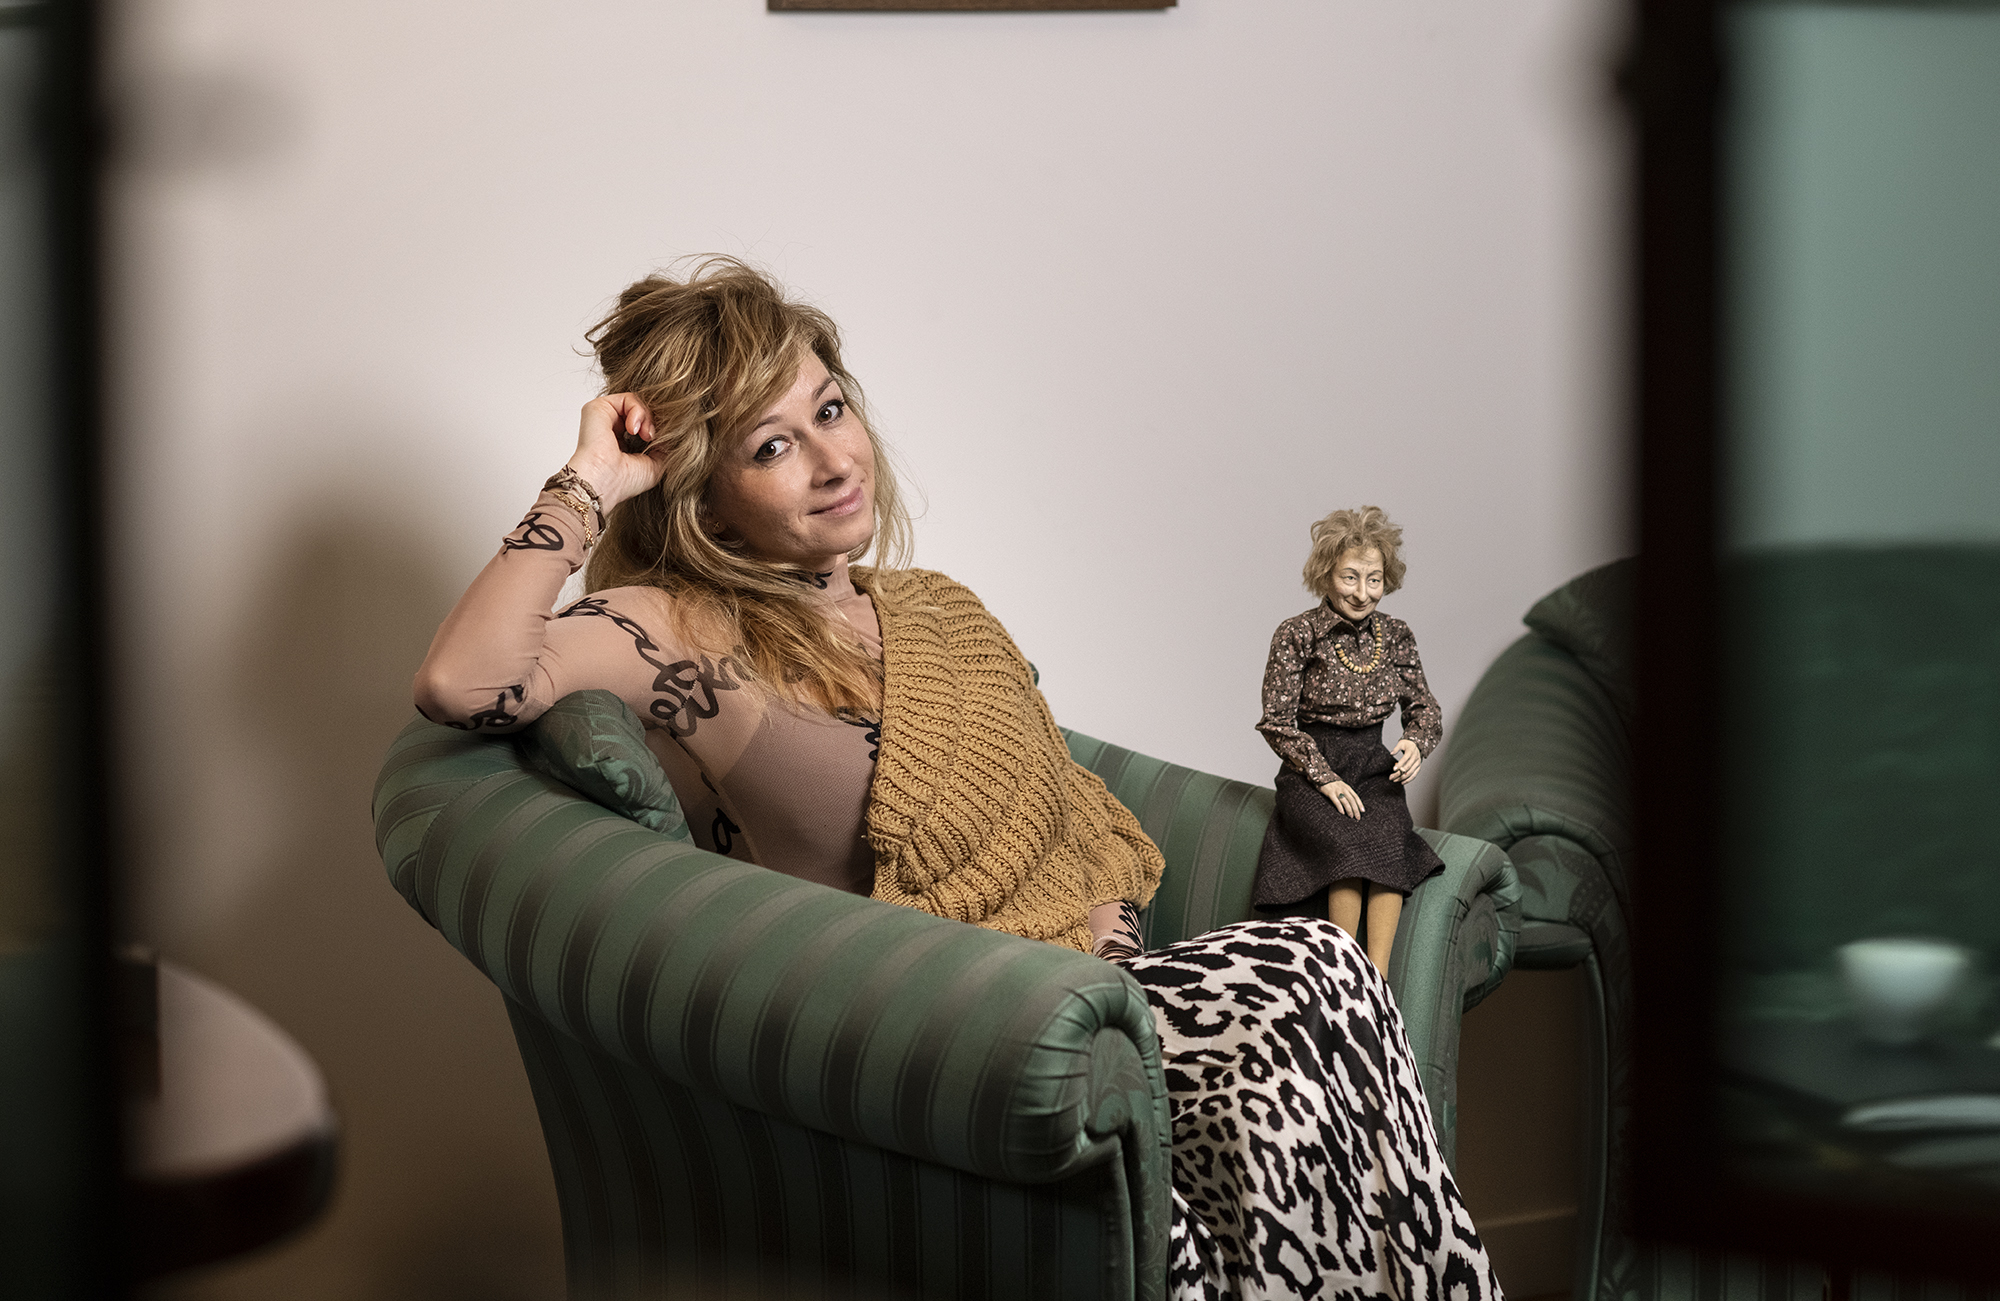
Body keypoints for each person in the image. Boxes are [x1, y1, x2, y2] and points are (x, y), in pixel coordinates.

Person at [414, 259, 1497, 1301]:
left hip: (1085, 1016)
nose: (831, 461)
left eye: (830, 410)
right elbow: (463, 682)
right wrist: (592, 481)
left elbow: (1072, 822)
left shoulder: (936, 608)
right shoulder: (676, 631)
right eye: (772, 445)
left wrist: (1113, 975)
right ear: (702, 492)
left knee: (1305, 1012)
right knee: (1310, 967)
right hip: (934, 1031)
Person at [1251, 507, 1445, 976]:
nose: (1362, 593)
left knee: (1387, 840)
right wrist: (1324, 778)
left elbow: (1425, 708)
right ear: (1326, 575)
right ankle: (1345, 971)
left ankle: (1375, 978)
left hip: (1373, 767)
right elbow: (1277, 722)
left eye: (1373, 580)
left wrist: (1416, 742)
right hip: (1311, 770)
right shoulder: (1296, 634)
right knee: (1348, 845)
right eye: (1350, 577)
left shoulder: (1396, 636)